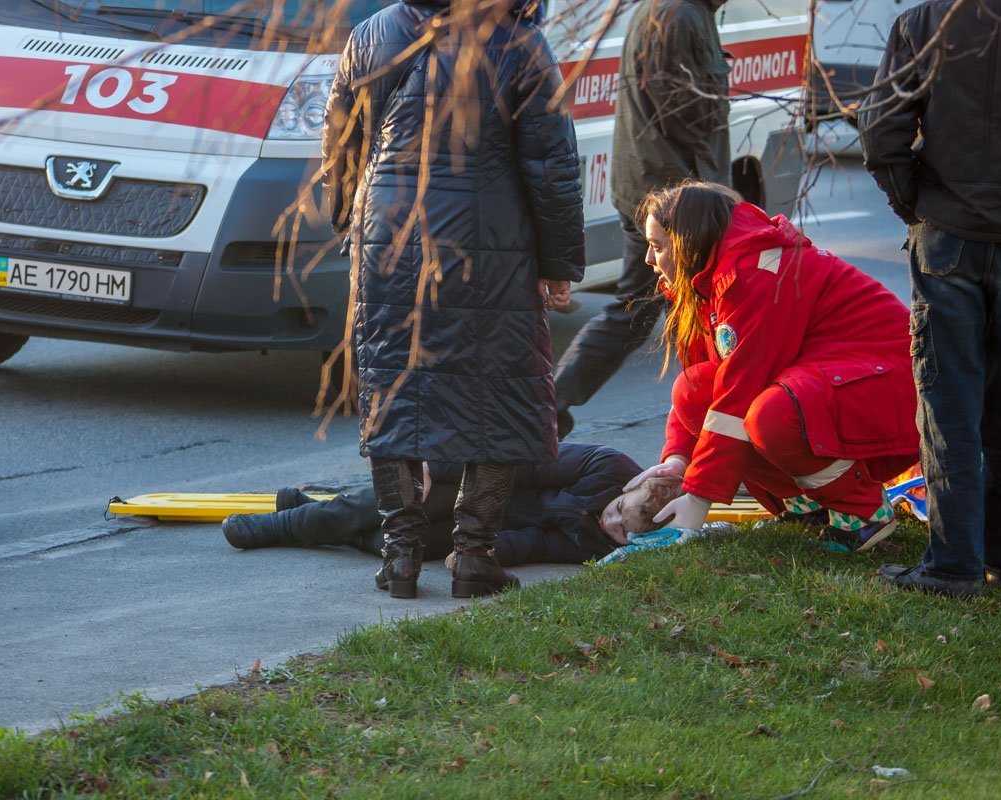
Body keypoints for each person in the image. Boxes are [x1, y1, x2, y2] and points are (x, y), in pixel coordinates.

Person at [322, 0, 585, 599]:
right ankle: (473, 555)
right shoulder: (518, 41)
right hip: (489, 243)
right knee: (499, 392)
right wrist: (558, 262)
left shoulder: (371, 33)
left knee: (395, 389)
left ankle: (402, 558)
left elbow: (342, 141)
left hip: (389, 234)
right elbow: (550, 164)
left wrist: (346, 221)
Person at [859, 0, 1001, 597]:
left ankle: (954, 565)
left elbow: (881, 131)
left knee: (948, 404)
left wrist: (914, 204)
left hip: (947, 234)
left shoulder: (924, 24)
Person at [624, 182, 920, 551]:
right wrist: (677, 459)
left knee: (771, 416)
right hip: (847, 383)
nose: (649, 260)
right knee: (695, 389)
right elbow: (705, 390)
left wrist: (698, 499)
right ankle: (809, 505)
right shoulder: (711, 276)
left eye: (657, 246)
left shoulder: (751, 274)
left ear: (687, 241)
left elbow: (736, 397)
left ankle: (864, 514)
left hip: (890, 389)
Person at [552, 0, 731, 439]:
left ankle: (551, 404)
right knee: (687, 311)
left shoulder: (680, 11)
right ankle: (550, 405)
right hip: (671, 196)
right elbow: (685, 111)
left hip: (664, 187)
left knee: (655, 310)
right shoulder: (677, 14)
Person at [220, 443, 684, 567]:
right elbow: (518, 461)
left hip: (485, 527)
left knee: (395, 543)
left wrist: (486, 553)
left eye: (623, 530)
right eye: (621, 508)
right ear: (634, 484)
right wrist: (435, 469)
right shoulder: (607, 465)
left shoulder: (602, 547)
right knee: (393, 505)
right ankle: (276, 527)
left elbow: (540, 544)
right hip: (471, 479)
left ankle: (307, 508)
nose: (611, 521)